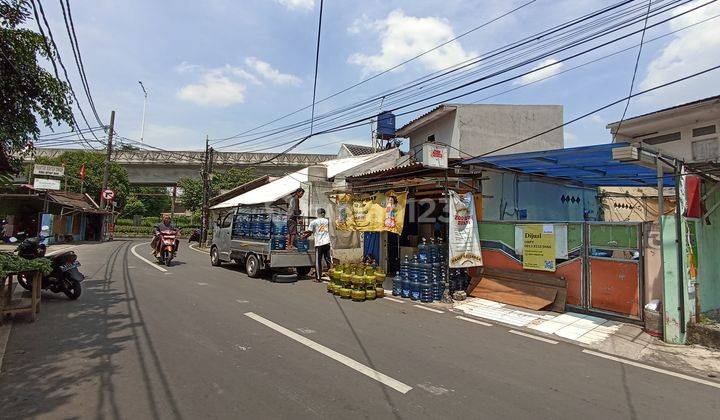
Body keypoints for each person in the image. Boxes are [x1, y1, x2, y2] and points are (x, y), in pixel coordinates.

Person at [305, 208, 331, 282]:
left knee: (318, 261)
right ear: (324, 214)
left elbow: (309, 232)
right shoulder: (327, 221)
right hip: (327, 242)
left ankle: (318, 278)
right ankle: (333, 276)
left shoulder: (313, 222)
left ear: (318, 213)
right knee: (328, 260)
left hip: (319, 244)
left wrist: (304, 235)